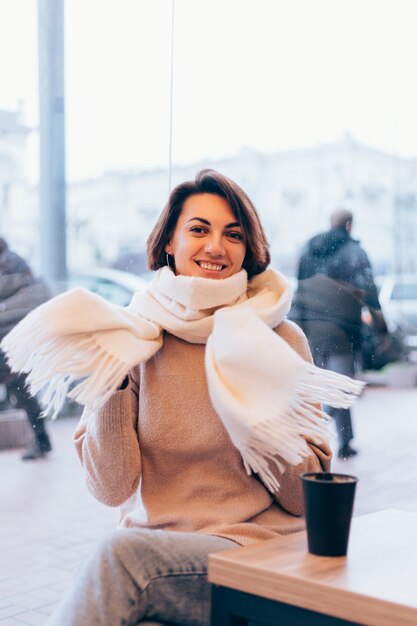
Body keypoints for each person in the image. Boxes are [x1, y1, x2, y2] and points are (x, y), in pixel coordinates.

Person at [1, 171, 363, 626]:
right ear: (168, 242)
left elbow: (301, 500)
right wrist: (112, 381)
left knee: (121, 559)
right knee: (125, 570)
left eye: (233, 234)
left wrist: (260, 417)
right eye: (199, 229)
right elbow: (111, 488)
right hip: (156, 554)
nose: (216, 246)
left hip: (254, 551)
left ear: (248, 249)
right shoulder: (131, 337)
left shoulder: (277, 339)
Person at [291, 208, 387, 460]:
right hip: (340, 330)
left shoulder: (307, 249)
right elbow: (368, 288)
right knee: (340, 387)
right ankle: (331, 438)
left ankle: (327, 438)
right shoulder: (355, 253)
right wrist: (380, 325)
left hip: (308, 328)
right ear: (349, 225)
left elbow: (298, 285)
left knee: (319, 385)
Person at [0, 237, 52, 460]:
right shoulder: (15, 261)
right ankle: (41, 439)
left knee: (20, 389)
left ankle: (41, 439)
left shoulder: (8, 264)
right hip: (17, 338)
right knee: (21, 390)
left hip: (10, 338)